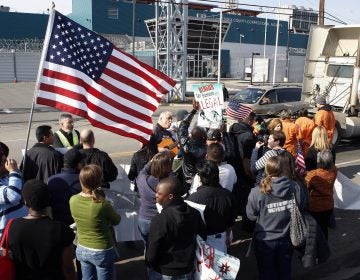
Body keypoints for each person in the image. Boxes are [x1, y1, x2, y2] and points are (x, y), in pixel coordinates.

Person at [246, 155, 307, 280]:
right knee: (285, 272)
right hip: (287, 238)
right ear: (283, 169)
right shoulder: (295, 187)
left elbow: (251, 216)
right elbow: (302, 206)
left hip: (265, 240)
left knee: (267, 274)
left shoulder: (256, 192)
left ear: (267, 170)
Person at [8, 179, 76, 280]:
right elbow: (68, 267)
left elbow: (11, 257)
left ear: (25, 201)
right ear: (48, 200)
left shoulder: (13, 227)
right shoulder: (62, 230)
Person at [145, 177, 207, 280]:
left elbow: (153, 250)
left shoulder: (160, 219)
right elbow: (203, 236)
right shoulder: (194, 213)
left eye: (159, 193)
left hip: (166, 272)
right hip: (188, 269)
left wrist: (149, 263)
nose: (156, 195)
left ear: (170, 196)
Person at [70, 164, 121, 280]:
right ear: (99, 181)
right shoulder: (102, 205)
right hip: (101, 250)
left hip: (82, 247)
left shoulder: (73, 200)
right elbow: (117, 220)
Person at [187, 160, 237, 252]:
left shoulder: (192, 199)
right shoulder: (228, 196)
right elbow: (231, 221)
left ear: (200, 178)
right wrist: (228, 235)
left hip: (200, 242)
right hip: (220, 239)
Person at [136, 151, 173, 248]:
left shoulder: (142, 179)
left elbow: (143, 171)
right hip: (160, 221)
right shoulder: (170, 185)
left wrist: (152, 161)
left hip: (143, 220)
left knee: (147, 246)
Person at [305, 149, 337, 239]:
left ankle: (320, 249)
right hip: (329, 205)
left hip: (315, 207)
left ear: (319, 161)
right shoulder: (334, 171)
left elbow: (305, 187)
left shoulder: (313, 175)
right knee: (324, 229)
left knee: (316, 231)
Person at [47, 148, 84, 225]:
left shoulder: (51, 180)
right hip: (78, 224)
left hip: (58, 223)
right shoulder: (83, 181)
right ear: (78, 164)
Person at [177, 101, 207, 193]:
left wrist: (194, 110)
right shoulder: (208, 149)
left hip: (187, 177)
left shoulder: (185, 145)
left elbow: (183, 125)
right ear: (203, 137)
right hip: (202, 178)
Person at [0, 145, 27, 240]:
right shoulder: (11, 174)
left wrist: (15, 173)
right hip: (6, 237)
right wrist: (13, 171)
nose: (7, 163)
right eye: (4, 161)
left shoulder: (6, 177)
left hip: (20, 231)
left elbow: (21, 191)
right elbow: (13, 195)